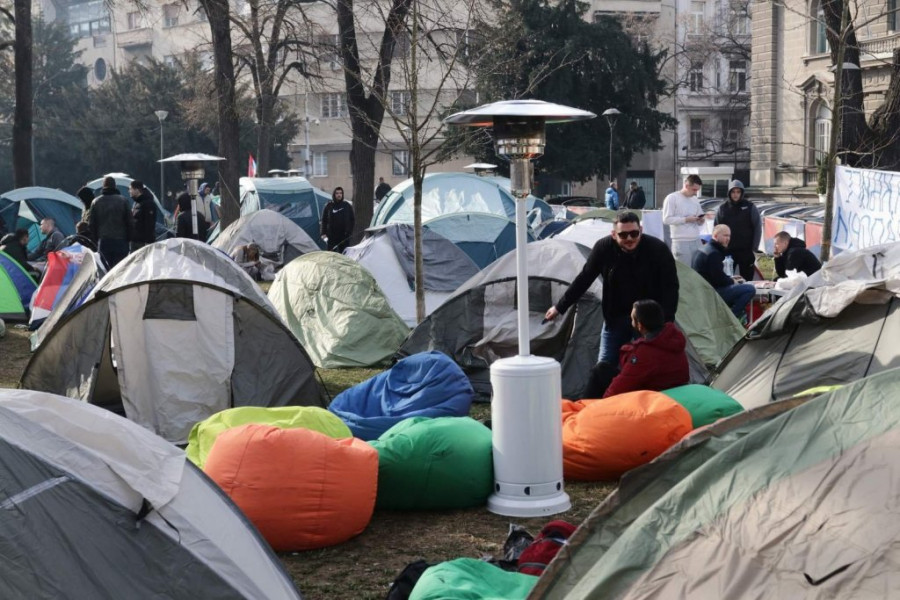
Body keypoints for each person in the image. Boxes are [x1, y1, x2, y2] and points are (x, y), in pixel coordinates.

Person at [544, 211, 679, 370]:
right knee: (604, 366)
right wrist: (560, 307)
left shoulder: (657, 249)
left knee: (648, 366)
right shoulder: (604, 248)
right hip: (615, 317)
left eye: (634, 233)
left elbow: (671, 287)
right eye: (623, 235)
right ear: (614, 234)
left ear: (641, 230)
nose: (629, 238)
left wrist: (666, 321)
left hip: (648, 320)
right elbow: (585, 278)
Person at [584, 299, 690, 398]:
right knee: (603, 369)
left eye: (632, 319)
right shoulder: (672, 339)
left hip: (652, 398)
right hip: (668, 391)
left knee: (599, 372)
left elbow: (621, 385)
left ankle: (583, 410)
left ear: (639, 325)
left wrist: (599, 406)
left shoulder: (645, 353)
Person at [692, 224, 756, 320]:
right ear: (715, 236)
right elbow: (719, 281)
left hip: (701, 291)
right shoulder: (714, 253)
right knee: (749, 289)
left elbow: (713, 276)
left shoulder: (702, 249)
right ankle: (731, 318)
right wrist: (733, 281)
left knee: (738, 287)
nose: (728, 239)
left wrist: (730, 279)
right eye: (725, 235)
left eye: (729, 236)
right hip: (711, 293)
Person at [714, 180, 761, 281]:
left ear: (742, 193)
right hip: (728, 250)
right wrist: (718, 247)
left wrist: (754, 248)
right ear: (729, 193)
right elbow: (716, 228)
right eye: (733, 192)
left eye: (738, 192)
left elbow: (757, 227)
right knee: (727, 278)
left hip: (746, 250)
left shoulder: (750, 207)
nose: (735, 194)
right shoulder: (723, 208)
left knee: (747, 279)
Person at [89, 176, 133, 269]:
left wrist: (96, 241)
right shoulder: (123, 201)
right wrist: (129, 239)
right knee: (120, 269)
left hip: (104, 241)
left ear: (103, 186)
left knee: (106, 269)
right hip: (121, 241)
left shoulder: (96, 202)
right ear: (115, 186)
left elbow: (92, 224)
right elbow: (130, 222)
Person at [663, 174, 705, 265]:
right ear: (686, 186)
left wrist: (701, 220)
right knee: (685, 271)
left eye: (697, 190)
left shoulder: (695, 199)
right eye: (694, 190)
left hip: (696, 239)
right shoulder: (672, 198)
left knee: (699, 269)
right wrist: (685, 219)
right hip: (681, 242)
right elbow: (666, 219)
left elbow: (699, 215)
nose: (695, 193)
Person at [320, 186, 355, 253]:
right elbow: (324, 220)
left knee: (344, 255)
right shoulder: (329, 206)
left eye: (340, 193)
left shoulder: (347, 205)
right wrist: (323, 233)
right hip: (331, 236)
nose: (339, 195)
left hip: (344, 236)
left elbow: (352, 220)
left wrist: (349, 232)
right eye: (337, 193)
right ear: (334, 194)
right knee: (331, 255)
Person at [129, 180, 158, 252]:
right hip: (135, 241)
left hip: (143, 242)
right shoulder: (136, 203)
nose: (129, 191)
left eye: (131, 189)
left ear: (137, 190)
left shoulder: (148, 204)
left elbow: (150, 224)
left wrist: (148, 241)